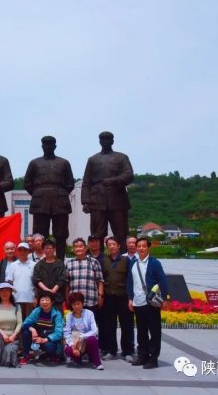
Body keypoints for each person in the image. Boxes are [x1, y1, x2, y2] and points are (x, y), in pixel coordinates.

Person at [24, 136, 75, 261]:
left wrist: (59, 193)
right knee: (39, 235)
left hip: (60, 202)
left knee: (61, 234)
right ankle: (40, 260)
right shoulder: (34, 163)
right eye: (45, 145)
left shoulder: (64, 163)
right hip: (40, 203)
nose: (48, 147)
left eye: (50, 145)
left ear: (55, 147)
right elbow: (27, 184)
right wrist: (39, 193)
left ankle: (60, 261)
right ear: (42, 147)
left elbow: (70, 184)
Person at [81, 131, 134, 252]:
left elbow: (129, 175)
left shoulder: (121, 157)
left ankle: (123, 258)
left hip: (117, 199)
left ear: (112, 141)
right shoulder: (93, 160)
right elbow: (86, 182)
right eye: (103, 139)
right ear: (99, 142)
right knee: (97, 233)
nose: (105, 141)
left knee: (121, 232)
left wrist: (113, 180)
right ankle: (97, 259)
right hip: (97, 200)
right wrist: (85, 201)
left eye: (108, 139)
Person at [127, 237, 169, 369]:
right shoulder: (133, 263)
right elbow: (130, 282)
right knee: (141, 331)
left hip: (151, 303)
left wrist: (166, 298)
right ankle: (143, 355)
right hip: (138, 303)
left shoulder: (154, 263)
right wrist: (130, 298)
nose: (141, 248)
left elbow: (162, 280)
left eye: (143, 246)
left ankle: (153, 358)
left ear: (148, 247)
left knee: (154, 331)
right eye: (139, 246)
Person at [102, 236, 134, 362]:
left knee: (127, 325)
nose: (112, 246)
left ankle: (128, 351)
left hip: (123, 298)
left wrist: (131, 298)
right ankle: (111, 350)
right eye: (109, 244)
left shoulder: (126, 261)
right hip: (109, 298)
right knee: (109, 325)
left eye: (114, 244)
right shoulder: (104, 261)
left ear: (119, 246)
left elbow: (131, 280)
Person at [19, 292, 63, 365]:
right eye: (42, 300)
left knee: (53, 349)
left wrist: (44, 340)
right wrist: (33, 330)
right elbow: (25, 323)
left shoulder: (57, 314)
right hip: (38, 337)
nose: (44, 302)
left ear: (52, 302)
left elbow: (59, 333)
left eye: (47, 300)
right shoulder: (37, 311)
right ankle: (26, 356)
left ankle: (50, 355)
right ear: (39, 302)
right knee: (26, 332)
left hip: (49, 339)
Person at [63, 292, 103, 370]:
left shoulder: (89, 313)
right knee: (68, 350)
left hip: (86, 340)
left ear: (82, 303)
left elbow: (95, 330)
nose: (76, 306)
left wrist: (81, 336)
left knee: (92, 339)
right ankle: (77, 358)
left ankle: (97, 363)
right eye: (74, 304)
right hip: (75, 342)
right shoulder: (69, 316)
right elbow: (66, 333)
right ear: (71, 305)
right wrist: (73, 347)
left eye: (78, 304)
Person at [0, 282, 22, 367]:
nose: (4, 293)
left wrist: (13, 336)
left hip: (13, 338)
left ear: (11, 292)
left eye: (7, 290)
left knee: (9, 354)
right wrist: (3, 334)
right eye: (2, 291)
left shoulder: (17, 307)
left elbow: (19, 323)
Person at [32, 240, 67, 313]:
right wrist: (46, 289)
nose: (48, 250)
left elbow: (62, 279)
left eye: (50, 248)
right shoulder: (39, 264)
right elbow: (36, 279)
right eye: (46, 248)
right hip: (43, 299)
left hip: (57, 298)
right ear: (43, 250)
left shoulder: (60, 264)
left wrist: (54, 290)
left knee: (57, 317)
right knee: (43, 319)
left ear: (54, 249)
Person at [5, 242, 37, 320]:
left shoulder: (34, 265)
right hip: (16, 299)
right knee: (18, 322)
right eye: (20, 250)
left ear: (28, 251)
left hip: (30, 299)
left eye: (25, 250)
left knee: (29, 322)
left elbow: (36, 283)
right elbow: (9, 283)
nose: (22, 252)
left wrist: (36, 297)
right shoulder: (13, 265)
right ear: (17, 251)